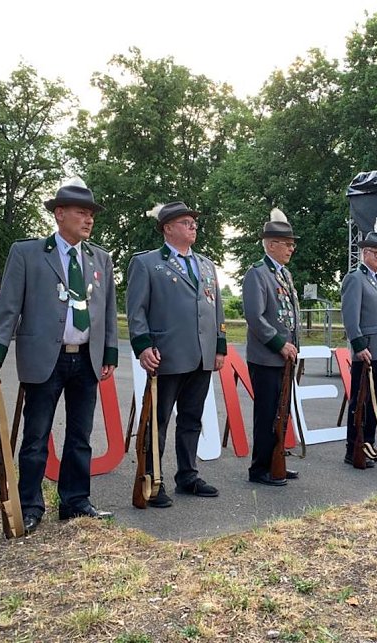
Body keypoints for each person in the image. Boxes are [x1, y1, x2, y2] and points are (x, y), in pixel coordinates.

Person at [0, 178, 118, 534]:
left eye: (91, 214)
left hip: (86, 359)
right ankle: (30, 505)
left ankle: (75, 501)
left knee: (80, 436)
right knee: (36, 437)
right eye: (81, 213)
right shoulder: (27, 253)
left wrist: (110, 352)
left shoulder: (100, 257)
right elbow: (8, 305)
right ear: (59, 214)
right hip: (46, 357)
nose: (88, 220)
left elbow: (106, 310)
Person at [126, 201, 227, 508]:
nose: (193, 227)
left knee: (192, 419)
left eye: (194, 223)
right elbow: (136, 311)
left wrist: (219, 345)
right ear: (168, 228)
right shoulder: (147, 263)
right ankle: (151, 480)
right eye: (185, 222)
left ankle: (187, 475)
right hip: (166, 355)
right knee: (157, 421)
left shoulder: (207, 265)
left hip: (201, 355)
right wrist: (143, 346)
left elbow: (216, 307)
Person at [242, 208, 301, 486]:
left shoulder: (284, 274)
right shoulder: (257, 273)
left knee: (281, 411)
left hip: (285, 357)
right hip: (266, 357)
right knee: (266, 414)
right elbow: (256, 317)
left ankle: (277, 459)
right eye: (287, 243)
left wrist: (293, 346)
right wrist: (280, 345)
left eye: (291, 243)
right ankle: (260, 468)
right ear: (271, 244)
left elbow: (290, 315)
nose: (292, 248)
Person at [341, 218, 377, 467]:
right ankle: (354, 448)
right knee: (360, 401)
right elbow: (351, 316)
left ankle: (369, 444)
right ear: (364, 252)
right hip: (366, 350)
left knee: (375, 400)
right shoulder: (356, 278)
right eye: (376, 252)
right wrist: (359, 345)